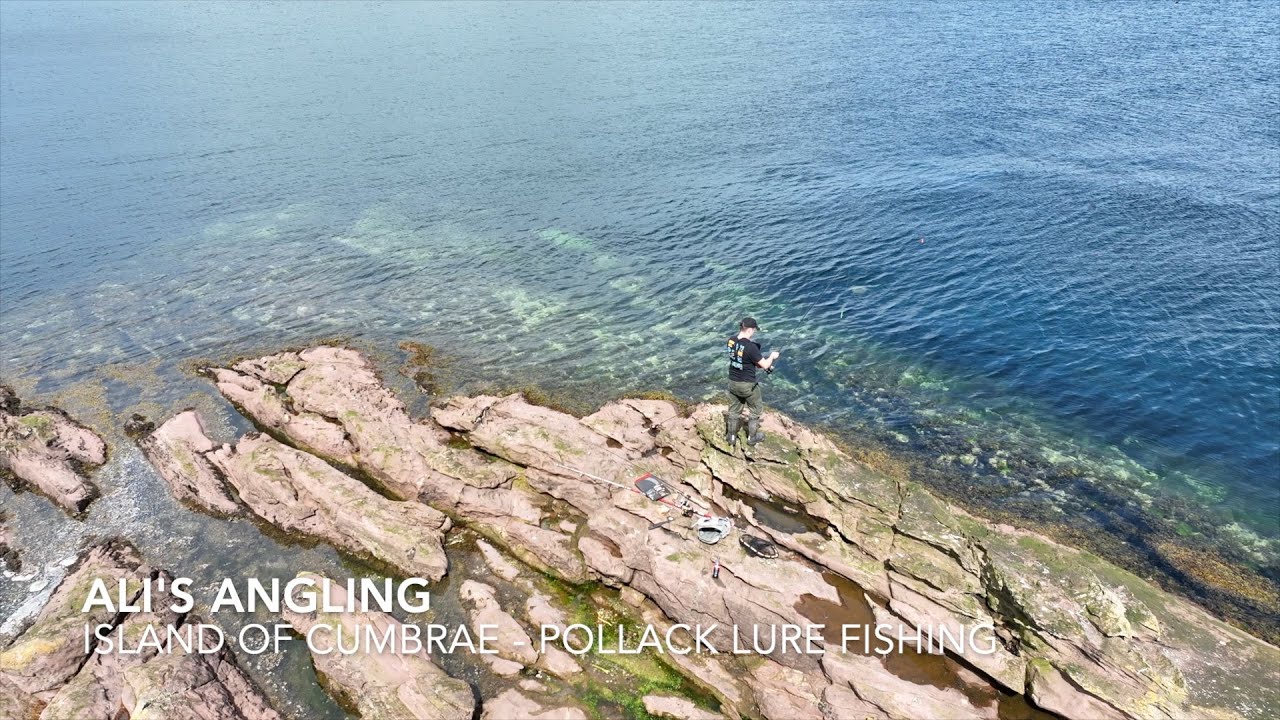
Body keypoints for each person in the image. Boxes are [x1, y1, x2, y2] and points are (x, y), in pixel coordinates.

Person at [725, 317, 779, 446]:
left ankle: (731, 436)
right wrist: (772, 356)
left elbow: (743, 359)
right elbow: (765, 365)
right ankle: (752, 437)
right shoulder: (751, 347)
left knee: (734, 410)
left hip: (732, 382)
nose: (754, 332)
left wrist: (759, 363)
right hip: (747, 385)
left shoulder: (731, 341)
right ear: (749, 330)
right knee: (756, 409)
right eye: (753, 330)